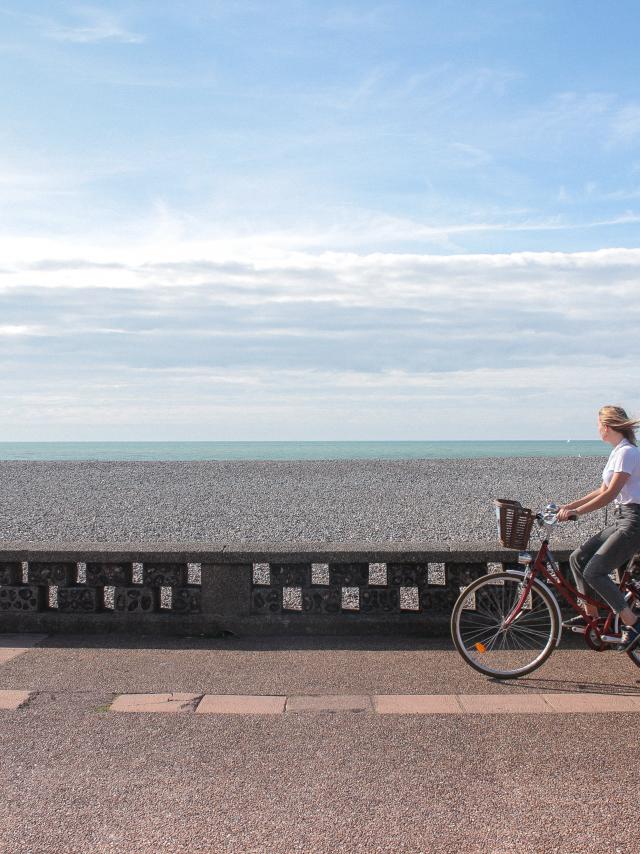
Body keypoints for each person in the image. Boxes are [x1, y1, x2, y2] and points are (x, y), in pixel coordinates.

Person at [557, 405, 640, 651]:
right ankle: (593, 618)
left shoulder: (628, 453)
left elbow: (611, 494)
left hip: (633, 521)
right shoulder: (618, 452)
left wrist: (577, 513)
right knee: (577, 558)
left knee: (594, 571)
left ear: (607, 426)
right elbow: (602, 490)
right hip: (621, 518)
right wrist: (569, 505)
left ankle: (632, 623)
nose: (597, 430)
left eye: (598, 425)